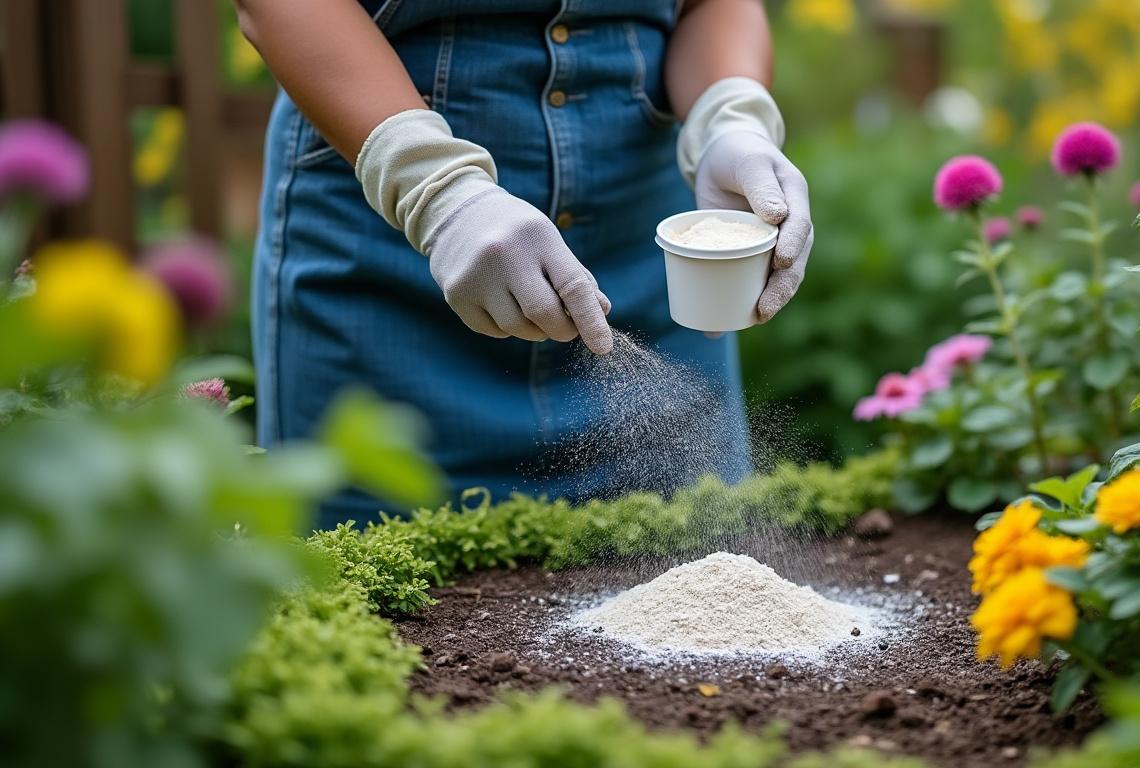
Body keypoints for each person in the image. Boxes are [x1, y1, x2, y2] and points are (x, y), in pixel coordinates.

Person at [234, 0, 813, 529]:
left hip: (645, 259)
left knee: (706, 595)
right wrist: (436, 189)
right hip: (385, 262)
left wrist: (728, 118)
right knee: (366, 611)